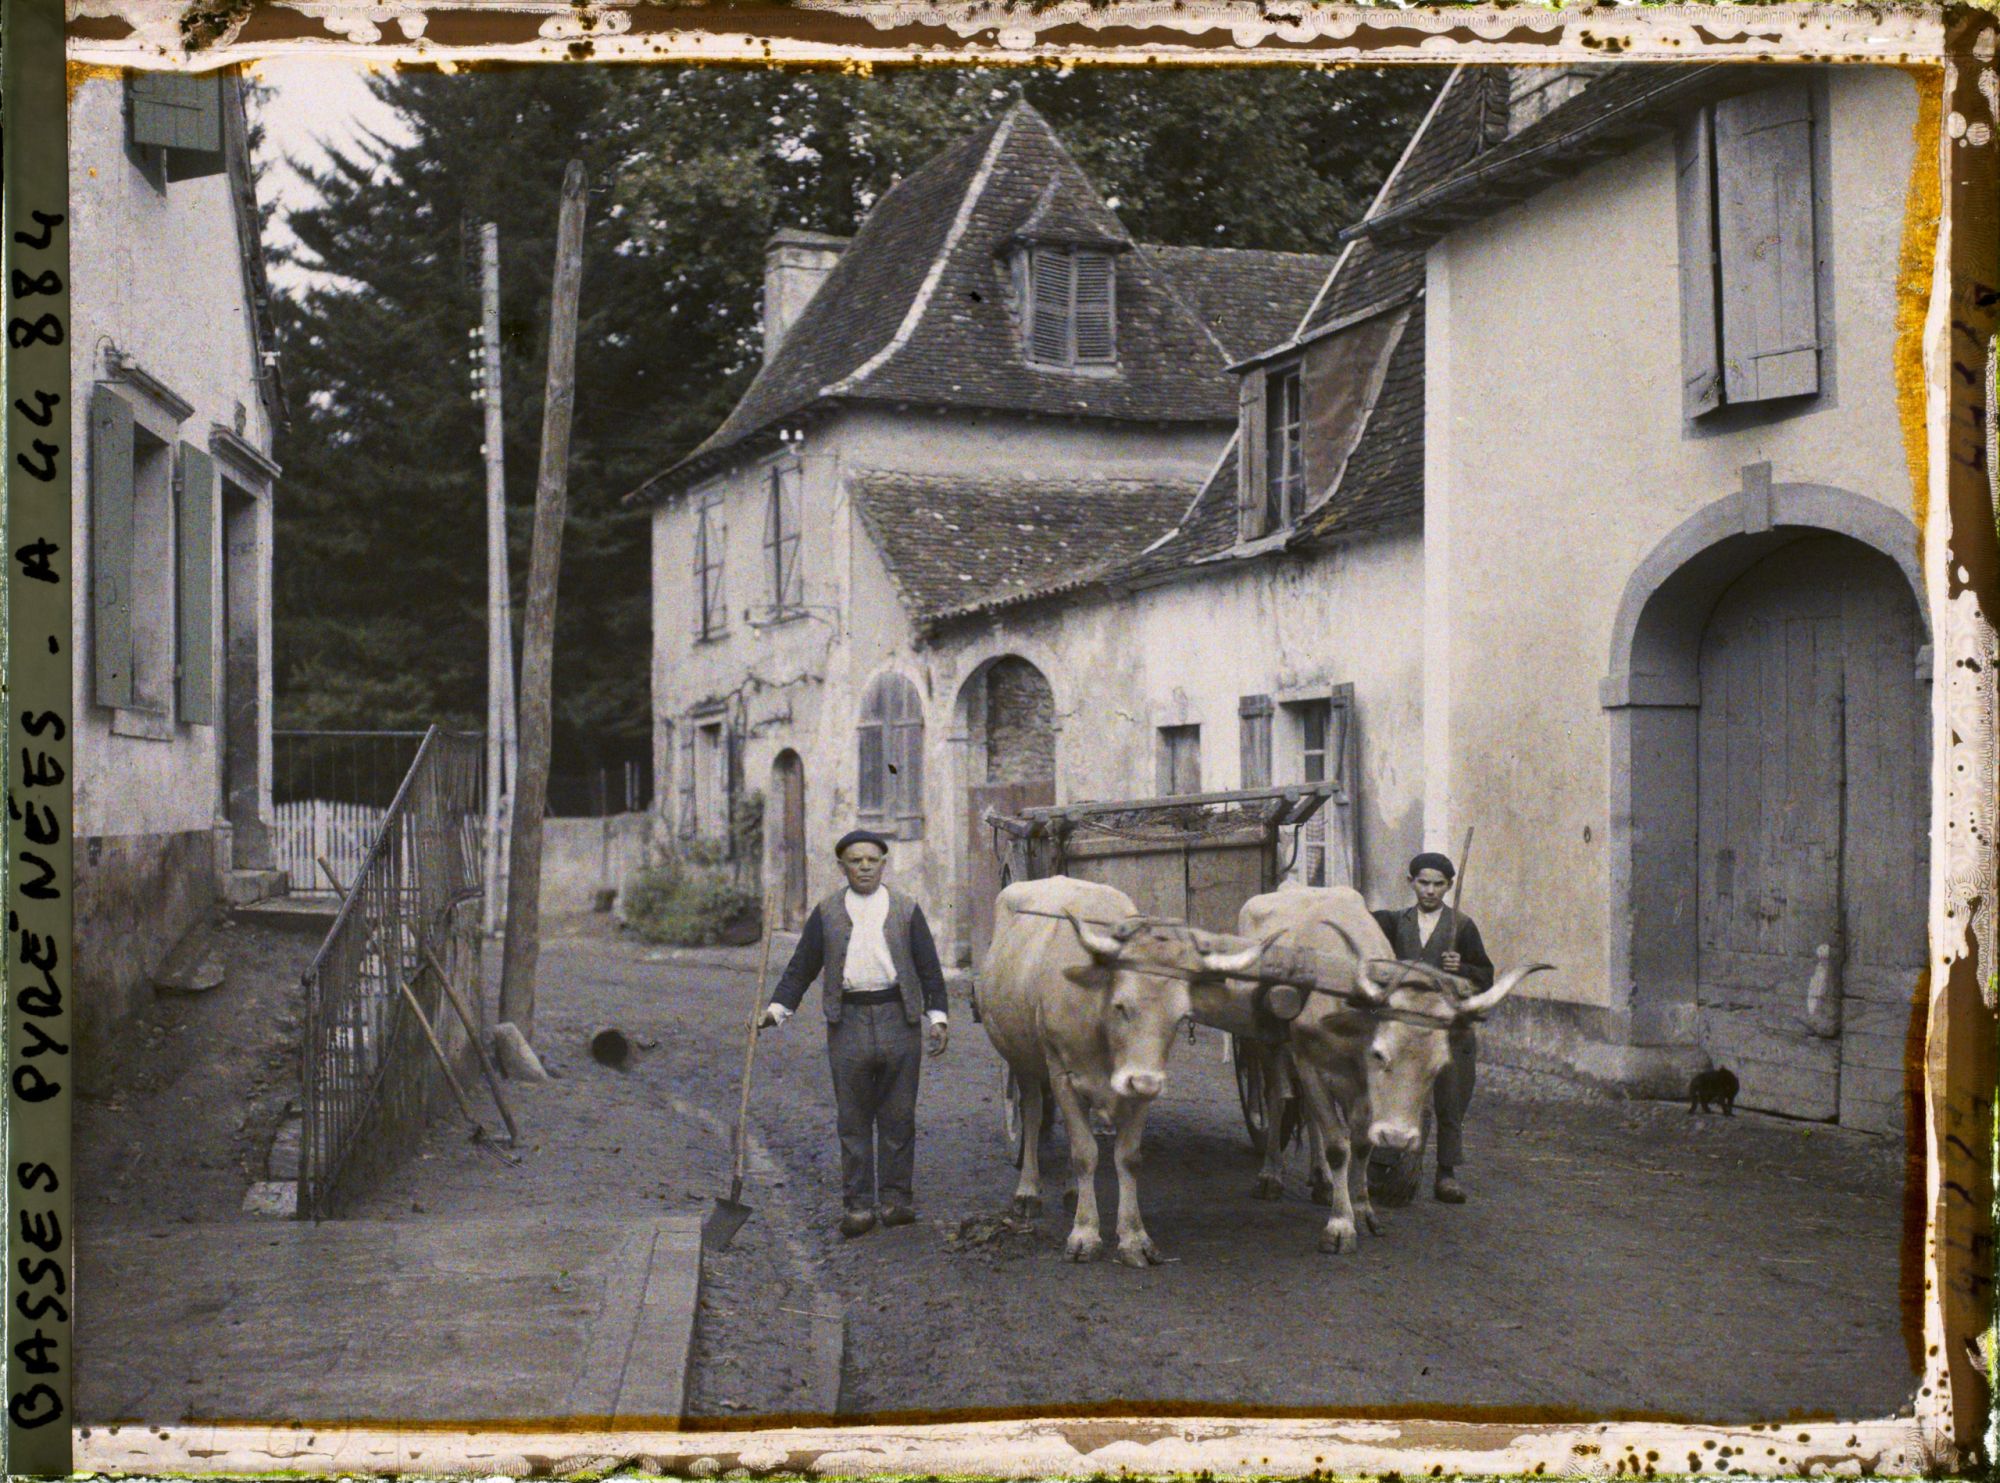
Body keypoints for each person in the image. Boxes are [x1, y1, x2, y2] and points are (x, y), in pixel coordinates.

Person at [758, 828, 950, 1238]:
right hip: (848, 1022)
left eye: (872, 860)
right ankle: (859, 1206)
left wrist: (937, 1018)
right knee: (853, 1119)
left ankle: (896, 1201)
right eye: (855, 861)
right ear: (841, 866)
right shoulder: (826, 912)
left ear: (883, 864)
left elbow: (929, 968)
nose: (864, 867)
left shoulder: (906, 909)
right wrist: (775, 1011)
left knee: (899, 1117)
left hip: (899, 1019)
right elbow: (801, 968)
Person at [1371, 851, 1493, 1206]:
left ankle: (1446, 1172)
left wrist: (1463, 968)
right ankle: (1382, 1163)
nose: (1430, 890)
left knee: (1451, 1095)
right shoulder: (1394, 922)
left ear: (1449, 886)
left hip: (1447, 1026)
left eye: (1438, 884)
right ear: (1410, 882)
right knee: (1397, 1090)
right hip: (1404, 1028)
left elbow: (1485, 977)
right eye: (1423, 883)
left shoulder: (1462, 926)